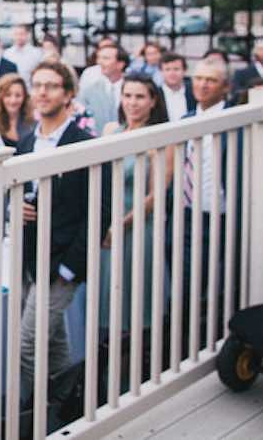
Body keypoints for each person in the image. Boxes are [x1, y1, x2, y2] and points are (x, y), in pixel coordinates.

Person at [14, 60, 105, 398]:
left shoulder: (85, 143)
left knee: (28, 344)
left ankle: (31, 415)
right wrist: (14, 208)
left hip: (61, 263)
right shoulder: (24, 143)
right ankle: (69, 401)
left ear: (68, 94)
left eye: (51, 85)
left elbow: (99, 211)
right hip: (29, 258)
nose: (42, 92)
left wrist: (71, 267)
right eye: (37, 85)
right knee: (53, 343)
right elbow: (15, 192)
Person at [98, 74, 175, 338]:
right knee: (106, 296)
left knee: (135, 299)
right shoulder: (110, 130)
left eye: (140, 96)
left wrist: (122, 224)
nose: (133, 103)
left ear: (153, 101)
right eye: (128, 95)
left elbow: (156, 195)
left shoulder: (162, 138)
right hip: (106, 222)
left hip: (138, 225)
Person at [172, 57, 235, 353]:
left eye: (210, 80)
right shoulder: (185, 121)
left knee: (225, 281)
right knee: (185, 284)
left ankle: (223, 342)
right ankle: (186, 347)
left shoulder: (237, 120)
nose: (202, 85)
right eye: (197, 78)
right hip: (187, 213)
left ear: (225, 86)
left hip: (224, 215)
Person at [78, 42, 129, 134]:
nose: (99, 62)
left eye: (106, 58)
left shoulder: (132, 88)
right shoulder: (90, 90)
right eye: (99, 58)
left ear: (120, 64)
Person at [0, 73, 33, 147]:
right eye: (8, 95)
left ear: (25, 97)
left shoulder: (33, 122)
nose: (13, 101)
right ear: (0, 97)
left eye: (18, 95)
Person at [158, 52, 196, 121]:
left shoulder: (194, 91)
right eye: (167, 69)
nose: (172, 73)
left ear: (184, 70)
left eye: (176, 69)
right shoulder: (156, 95)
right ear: (161, 72)